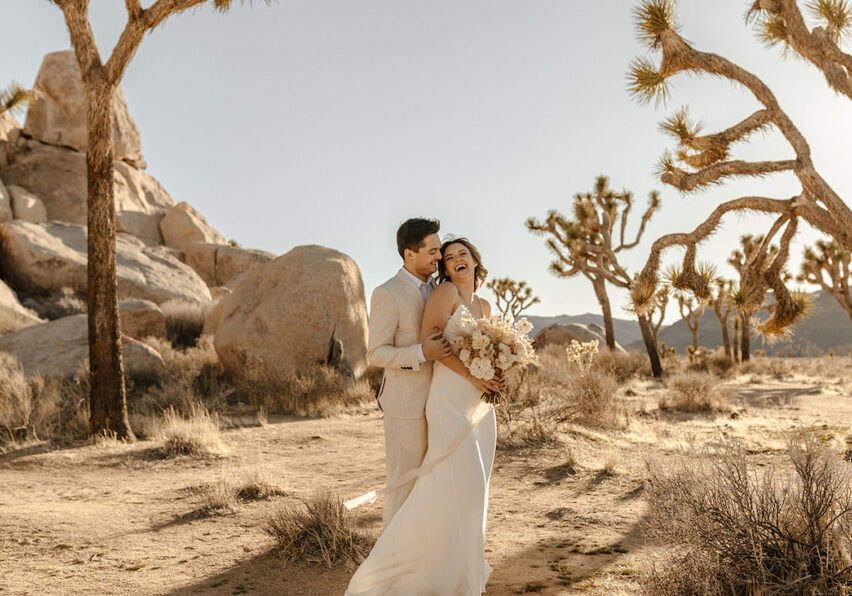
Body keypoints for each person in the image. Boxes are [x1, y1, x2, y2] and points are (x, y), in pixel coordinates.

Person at [346, 237, 503, 596]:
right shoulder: (444, 295)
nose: (455, 260)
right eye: (448, 258)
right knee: (447, 481)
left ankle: (463, 568)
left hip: (478, 404)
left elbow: (490, 350)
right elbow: (433, 347)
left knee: (475, 489)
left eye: (462, 254)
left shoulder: (485, 305)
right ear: (445, 269)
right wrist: (474, 376)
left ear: (476, 260)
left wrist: (497, 373)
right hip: (449, 399)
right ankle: (407, 572)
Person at [366, 218, 453, 527]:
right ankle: (393, 562)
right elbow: (376, 352)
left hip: (443, 402)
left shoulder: (443, 290)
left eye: (439, 250)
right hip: (406, 405)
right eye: (432, 251)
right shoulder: (387, 293)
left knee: (434, 483)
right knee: (404, 484)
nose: (439, 257)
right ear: (409, 254)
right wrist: (420, 353)